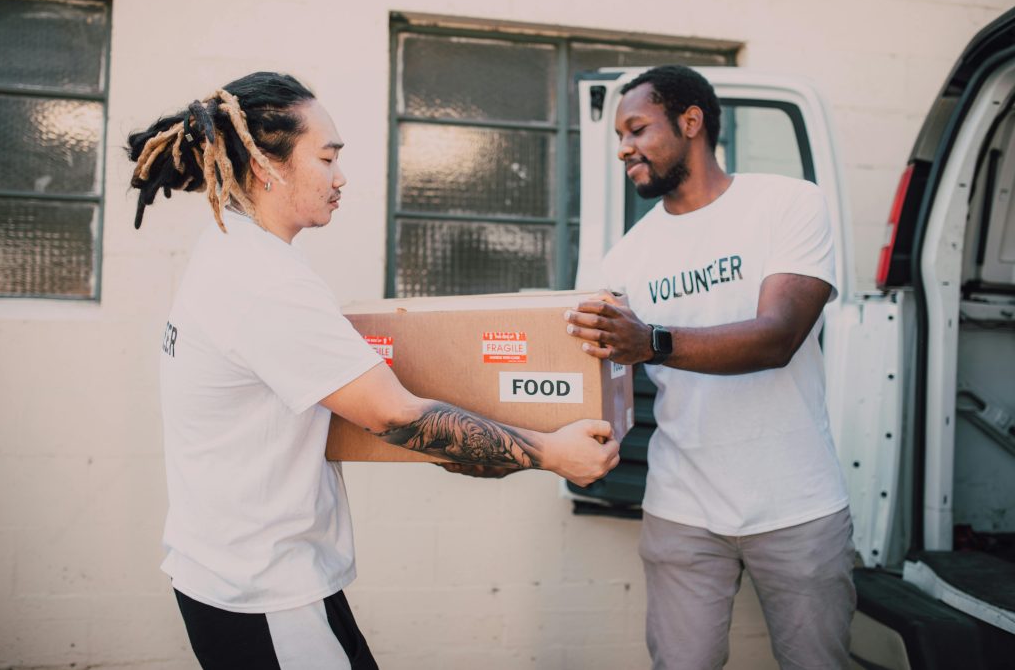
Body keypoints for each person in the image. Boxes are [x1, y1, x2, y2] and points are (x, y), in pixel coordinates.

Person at [128, 71, 620, 670]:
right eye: (327, 157)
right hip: (264, 587)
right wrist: (549, 452)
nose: (341, 178)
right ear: (265, 165)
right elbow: (391, 414)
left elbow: (355, 408)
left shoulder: (233, 249)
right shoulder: (264, 282)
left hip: (245, 572)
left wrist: (477, 451)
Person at [565, 65, 855, 669]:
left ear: (691, 122)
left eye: (638, 129)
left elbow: (778, 337)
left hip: (796, 504)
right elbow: (591, 379)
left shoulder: (787, 204)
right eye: (620, 134)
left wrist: (652, 343)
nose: (624, 148)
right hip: (682, 508)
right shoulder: (626, 257)